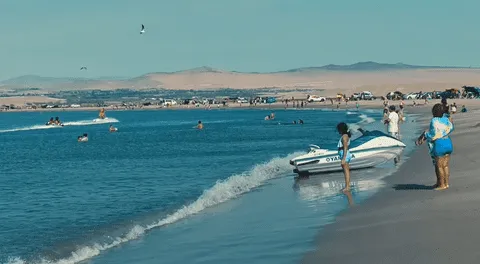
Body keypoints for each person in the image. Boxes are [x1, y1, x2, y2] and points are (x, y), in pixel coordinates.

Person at [416, 103, 454, 190]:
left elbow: (433, 134)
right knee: (446, 165)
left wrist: (425, 135)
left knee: (439, 166)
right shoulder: (446, 119)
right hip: (448, 142)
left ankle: (442, 184)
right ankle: (445, 183)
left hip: (439, 144)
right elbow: (451, 128)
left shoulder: (434, 121)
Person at [337, 122, 352, 192]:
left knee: (346, 172)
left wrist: (343, 158)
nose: (338, 131)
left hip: (344, 154)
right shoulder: (346, 135)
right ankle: (348, 186)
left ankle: (347, 187)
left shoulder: (344, 137)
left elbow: (345, 147)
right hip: (345, 154)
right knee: (347, 171)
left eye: (338, 129)